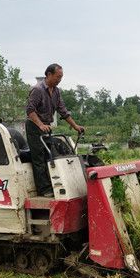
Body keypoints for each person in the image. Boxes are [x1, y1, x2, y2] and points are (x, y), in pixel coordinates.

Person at [25, 63, 85, 197]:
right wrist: (40, 125)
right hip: (34, 127)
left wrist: (75, 126)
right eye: (58, 77)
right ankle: (44, 189)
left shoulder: (57, 91)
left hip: (46, 127)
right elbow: (30, 110)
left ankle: (54, 184)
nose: (59, 79)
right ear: (49, 75)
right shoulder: (38, 90)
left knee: (51, 155)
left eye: (61, 77)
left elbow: (63, 111)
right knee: (39, 157)